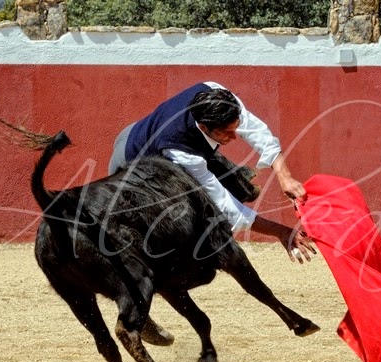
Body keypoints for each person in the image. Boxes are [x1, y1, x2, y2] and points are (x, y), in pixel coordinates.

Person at [109, 81, 316, 345]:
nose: (235, 136)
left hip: (142, 130)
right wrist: (280, 231)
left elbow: (257, 131)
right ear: (204, 127)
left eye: (235, 127)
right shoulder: (181, 151)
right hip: (136, 165)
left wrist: (284, 175)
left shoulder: (217, 94)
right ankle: (136, 309)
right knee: (146, 241)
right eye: (226, 132)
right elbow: (227, 207)